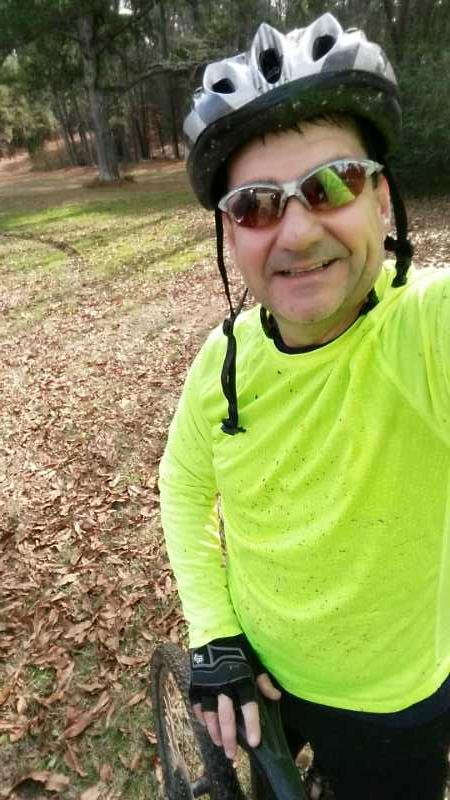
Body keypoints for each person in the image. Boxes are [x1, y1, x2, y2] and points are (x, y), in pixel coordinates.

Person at [159, 13, 450, 800]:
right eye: (256, 204)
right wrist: (215, 632)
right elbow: (183, 487)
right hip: (261, 669)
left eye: (332, 184)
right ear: (230, 233)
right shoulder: (221, 360)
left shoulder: (425, 333)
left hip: (390, 703)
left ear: (380, 198)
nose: (295, 232)